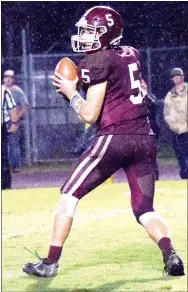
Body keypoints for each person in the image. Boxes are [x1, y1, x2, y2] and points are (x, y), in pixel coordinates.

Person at [23, 6, 184, 277]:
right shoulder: (130, 53)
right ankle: (171, 254)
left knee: (68, 196)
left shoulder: (98, 61)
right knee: (144, 207)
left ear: (107, 34)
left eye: (91, 31)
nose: (85, 36)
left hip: (115, 138)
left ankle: (50, 262)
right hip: (145, 138)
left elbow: (89, 113)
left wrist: (72, 92)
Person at [163, 68, 188, 179]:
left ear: (183, 77)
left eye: (178, 76)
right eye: (174, 76)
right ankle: (184, 175)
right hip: (177, 131)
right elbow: (167, 114)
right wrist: (175, 127)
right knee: (180, 155)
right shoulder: (169, 95)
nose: (176, 78)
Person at [3, 69, 29, 172]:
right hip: (2, 120)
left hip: (12, 121)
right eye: (6, 77)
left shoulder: (17, 91)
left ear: (13, 79)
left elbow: (25, 105)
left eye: (10, 77)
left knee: (14, 144)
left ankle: (15, 166)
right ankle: (4, 166)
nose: (8, 79)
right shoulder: (1, 90)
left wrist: (16, 118)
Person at [141, 79, 160, 180]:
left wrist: (144, 95)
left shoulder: (150, 96)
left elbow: (154, 106)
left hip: (151, 129)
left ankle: (154, 174)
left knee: (151, 153)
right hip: (139, 130)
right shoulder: (133, 99)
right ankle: (144, 176)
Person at [1, 85, 19, 189]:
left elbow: (12, 109)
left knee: (3, 156)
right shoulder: (4, 91)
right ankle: (5, 185)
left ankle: (5, 185)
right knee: (3, 157)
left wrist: (14, 123)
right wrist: (14, 123)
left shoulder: (4, 91)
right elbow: (12, 108)